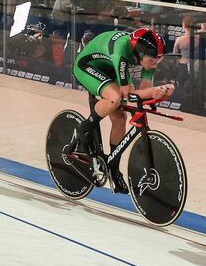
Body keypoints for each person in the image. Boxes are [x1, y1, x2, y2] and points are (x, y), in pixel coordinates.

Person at [72, 28, 174, 194]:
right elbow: (128, 93)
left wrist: (160, 92)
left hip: (109, 67)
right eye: (153, 60)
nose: (156, 63)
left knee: (120, 118)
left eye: (159, 60)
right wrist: (155, 91)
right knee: (115, 99)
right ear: (141, 54)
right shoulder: (122, 51)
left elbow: (145, 90)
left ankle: (113, 168)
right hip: (88, 66)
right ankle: (84, 127)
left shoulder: (148, 56)